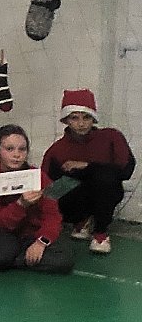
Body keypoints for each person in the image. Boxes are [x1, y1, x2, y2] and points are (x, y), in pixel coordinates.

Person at [42, 89, 134, 255]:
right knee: (60, 185)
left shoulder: (112, 137)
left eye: (86, 117)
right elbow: (47, 187)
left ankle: (100, 233)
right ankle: (81, 220)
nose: (81, 123)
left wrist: (87, 166)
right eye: (74, 118)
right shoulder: (56, 150)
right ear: (66, 120)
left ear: (93, 118)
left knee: (105, 176)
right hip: (74, 201)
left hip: (106, 191)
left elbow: (126, 170)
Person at [0, 125, 75, 273]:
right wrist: (20, 205)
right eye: (9, 149)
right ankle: (19, 258)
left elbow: (52, 215)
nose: (16, 155)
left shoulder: (39, 177)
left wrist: (42, 241)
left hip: (32, 234)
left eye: (22, 149)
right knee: (2, 255)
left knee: (65, 259)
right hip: (2, 234)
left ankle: (18, 259)